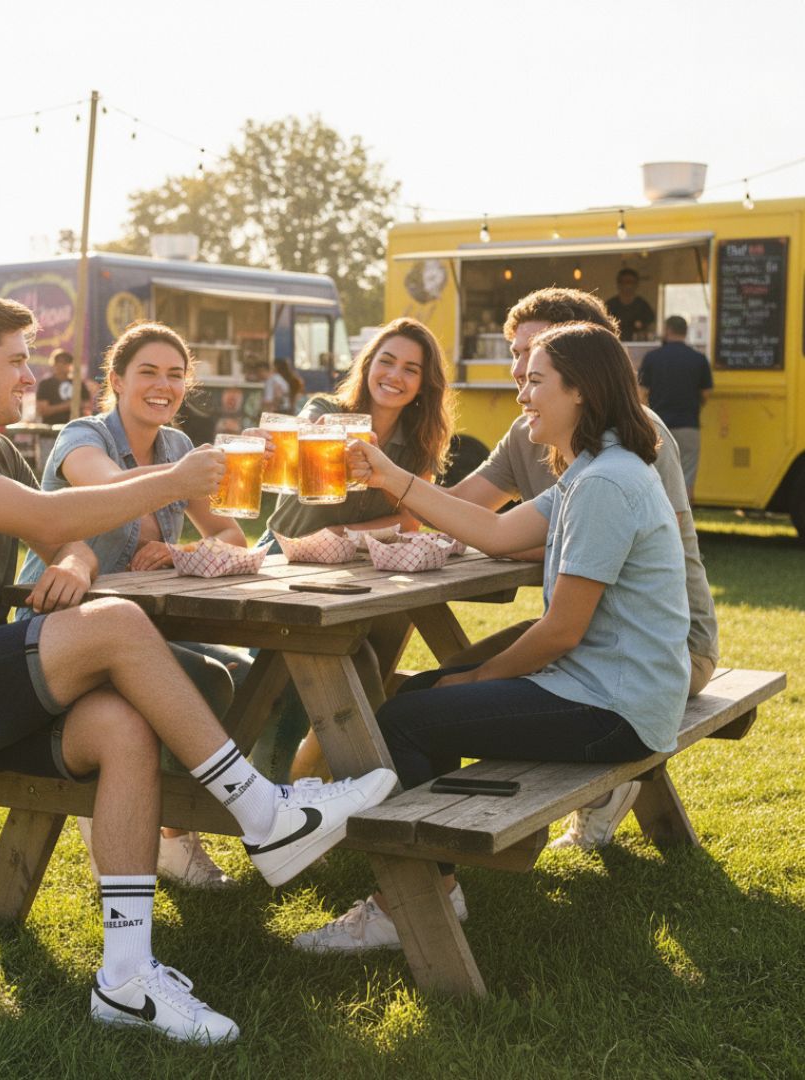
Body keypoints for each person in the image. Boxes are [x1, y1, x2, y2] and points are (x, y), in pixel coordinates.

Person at [0, 292, 395, 1044]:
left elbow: (56, 528)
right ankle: (262, 813)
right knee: (121, 625)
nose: (29, 375)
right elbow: (50, 516)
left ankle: (127, 977)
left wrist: (69, 557)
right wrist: (167, 485)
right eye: (16, 360)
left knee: (122, 728)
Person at [296, 321, 690, 952]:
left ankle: (412, 903)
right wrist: (391, 478)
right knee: (419, 696)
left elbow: (561, 629)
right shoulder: (596, 468)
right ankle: (433, 883)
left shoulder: (604, 483)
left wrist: (477, 677)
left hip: (616, 707)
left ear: (581, 391)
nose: (522, 396)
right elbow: (497, 532)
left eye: (535, 382)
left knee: (406, 719)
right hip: (613, 692)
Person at [449, 288, 718, 850]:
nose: (521, 367)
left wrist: (515, 548)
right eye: (517, 350)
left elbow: (634, 549)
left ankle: (457, 841)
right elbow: (469, 508)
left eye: (537, 352)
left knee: (461, 690)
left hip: (669, 650)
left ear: (581, 370)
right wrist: (379, 516)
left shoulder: (631, 439)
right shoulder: (533, 428)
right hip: (597, 641)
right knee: (449, 679)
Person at [17, 321, 253, 890]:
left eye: (176, 375)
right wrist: (180, 480)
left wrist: (178, 552)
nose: (162, 384)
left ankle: (199, 829)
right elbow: (103, 491)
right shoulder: (83, 437)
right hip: (57, 627)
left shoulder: (178, 450)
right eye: (147, 371)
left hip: (138, 630)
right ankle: (166, 830)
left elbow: (232, 536)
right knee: (205, 681)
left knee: (250, 675)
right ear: (117, 381)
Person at [256, 317, 453, 782]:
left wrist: (350, 534)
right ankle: (282, 787)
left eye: (410, 369)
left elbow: (408, 518)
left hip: (356, 572)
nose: (394, 376)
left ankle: (324, 779)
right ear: (367, 366)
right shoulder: (325, 408)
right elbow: (306, 431)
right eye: (386, 361)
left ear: (424, 384)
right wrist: (319, 435)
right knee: (286, 676)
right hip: (286, 558)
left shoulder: (417, 443)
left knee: (367, 655)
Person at [638, 315, 713, 500]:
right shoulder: (699, 359)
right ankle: (684, 524)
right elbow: (706, 394)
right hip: (688, 425)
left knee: (656, 474)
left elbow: (641, 393)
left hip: (658, 427)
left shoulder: (652, 358)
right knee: (686, 477)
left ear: (668, 330)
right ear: (685, 332)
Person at [606, 267, 655, 342]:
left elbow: (650, 324)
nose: (628, 285)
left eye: (631, 282)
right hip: (614, 343)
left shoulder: (642, 305)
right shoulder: (610, 305)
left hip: (637, 345)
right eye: (625, 282)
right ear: (619, 284)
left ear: (636, 284)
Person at [35, 349, 84, 425]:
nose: (62, 365)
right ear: (53, 363)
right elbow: (42, 411)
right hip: (50, 431)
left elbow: (86, 405)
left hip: (74, 429)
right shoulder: (45, 384)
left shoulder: (78, 383)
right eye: (59, 361)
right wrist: (68, 405)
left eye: (66, 362)